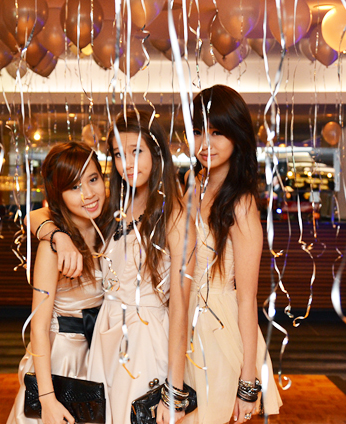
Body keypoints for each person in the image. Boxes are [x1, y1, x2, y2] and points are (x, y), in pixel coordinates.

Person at [87, 110, 195, 424]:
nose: (128, 163)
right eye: (119, 154)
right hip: (106, 334)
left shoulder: (174, 215)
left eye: (137, 151)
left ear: (156, 152)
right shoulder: (113, 207)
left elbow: (180, 307)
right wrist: (53, 233)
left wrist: (174, 392)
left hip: (145, 337)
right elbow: (47, 212)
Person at [183, 85, 282, 424]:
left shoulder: (241, 203)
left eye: (217, 132)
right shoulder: (191, 183)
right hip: (181, 323)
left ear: (237, 136)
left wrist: (248, 380)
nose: (205, 143)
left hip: (218, 330)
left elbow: (246, 297)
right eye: (198, 131)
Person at [7, 142, 106, 424]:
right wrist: (47, 399)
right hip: (63, 359)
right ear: (58, 194)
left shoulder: (109, 230)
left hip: (100, 354)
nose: (88, 194)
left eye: (93, 179)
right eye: (74, 187)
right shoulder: (52, 247)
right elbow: (38, 327)